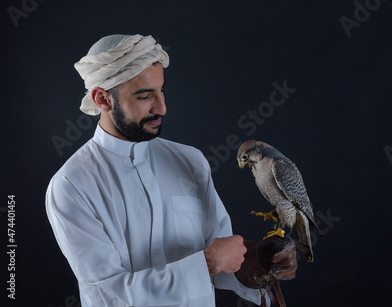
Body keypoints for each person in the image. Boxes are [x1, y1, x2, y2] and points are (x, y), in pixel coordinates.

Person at [46, 34, 297, 307]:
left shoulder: (190, 160)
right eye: (144, 96)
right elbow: (108, 294)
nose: (162, 108)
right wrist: (207, 263)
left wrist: (258, 259)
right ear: (102, 100)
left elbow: (223, 258)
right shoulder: (72, 185)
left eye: (161, 91)